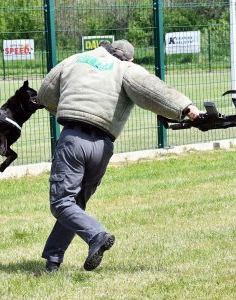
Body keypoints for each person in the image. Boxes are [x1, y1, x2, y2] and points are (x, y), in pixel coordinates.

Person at [37, 39, 201, 273]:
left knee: (62, 202)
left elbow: (46, 92)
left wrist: (67, 107)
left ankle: (96, 235)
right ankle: (52, 262)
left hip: (73, 139)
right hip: (103, 146)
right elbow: (153, 90)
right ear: (129, 58)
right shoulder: (126, 69)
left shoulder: (75, 59)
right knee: (75, 204)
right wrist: (186, 109)